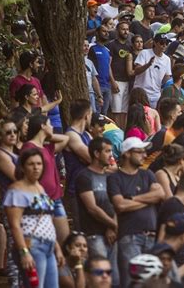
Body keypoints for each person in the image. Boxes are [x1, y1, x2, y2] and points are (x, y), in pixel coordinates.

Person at [107, 137, 165, 288]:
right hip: (129, 236)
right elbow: (120, 205)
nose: (145, 155)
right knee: (132, 283)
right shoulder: (115, 178)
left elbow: (160, 195)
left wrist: (131, 199)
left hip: (151, 235)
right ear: (126, 154)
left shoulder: (147, 175)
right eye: (140, 152)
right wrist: (148, 199)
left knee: (152, 283)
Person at [4, 148, 64, 288]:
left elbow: (47, 220)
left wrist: (57, 247)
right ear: (23, 167)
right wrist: (24, 252)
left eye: (39, 163)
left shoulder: (40, 188)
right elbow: (15, 225)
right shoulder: (16, 190)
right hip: (32, 245)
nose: (36, 167)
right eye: (31, 164)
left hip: (48, 244)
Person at [75, 137, 119, 286]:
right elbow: (92, 208)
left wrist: (112, 226)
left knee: (112, 278)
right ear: (96, 153)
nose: (111, 155)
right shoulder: (84, 177)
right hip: (93, 234)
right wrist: (113, 225)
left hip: (112, 233)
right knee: (98, 278)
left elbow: (117, 204)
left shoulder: (111, 177)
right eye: (107, 151)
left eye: (111, 151)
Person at [22, 114, 70, 245]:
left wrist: (48, 136)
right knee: (46, 241)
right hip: (40, 200)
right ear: (42, 126)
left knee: (64, 241)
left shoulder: (47, 147)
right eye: (49, 124)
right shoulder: (29, 147)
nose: (52, 127)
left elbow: (66, 139)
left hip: (56, 198)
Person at [0, 120, 20, 286]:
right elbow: (19, 177)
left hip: (19, 203)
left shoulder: (15, 154)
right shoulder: (1, 155)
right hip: (9, 204)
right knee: (14, 243)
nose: (12, 135)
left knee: (20, 243)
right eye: (8, 132)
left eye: (14, 132)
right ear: (1, 135)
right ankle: (14, 281)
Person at [63, 99, 93, 231]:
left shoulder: (86, 134)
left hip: (91, 185)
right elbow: (92, 158)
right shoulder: (71, 135)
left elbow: (102, 158)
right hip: (76, 189)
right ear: (87, 115)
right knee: (81, 229)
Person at [133, 33, 172, 108]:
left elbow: (166, 78)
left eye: (166, 43)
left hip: (156, 95)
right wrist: (148, 65)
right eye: (161, 43)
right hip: (141, 93)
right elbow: (136, 71)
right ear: (154, 43)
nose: (164, 45)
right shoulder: (144, 53)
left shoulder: (167, 59)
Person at [107, 21, 132, 128]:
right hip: (116, 80)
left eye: (127, 29)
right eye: (123, 29)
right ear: (117, 31)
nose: (125, 31)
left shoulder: (129, 46)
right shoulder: (111, 45)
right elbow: (108, 64)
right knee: (116, 110)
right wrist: (112, 81)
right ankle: (116, 131)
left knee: (124, 111)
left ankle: (123, 132)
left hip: (127, 81)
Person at [88, 25, 116, 115]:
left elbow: (108, 67)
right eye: (104, 31)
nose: (106, 33)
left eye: (107, 32)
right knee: (96, 114)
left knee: (104, 114)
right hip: (97, 86)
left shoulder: (107, 51)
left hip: (107, 86)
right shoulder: (92, 48)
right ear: (97, 33)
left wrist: (112, 82)